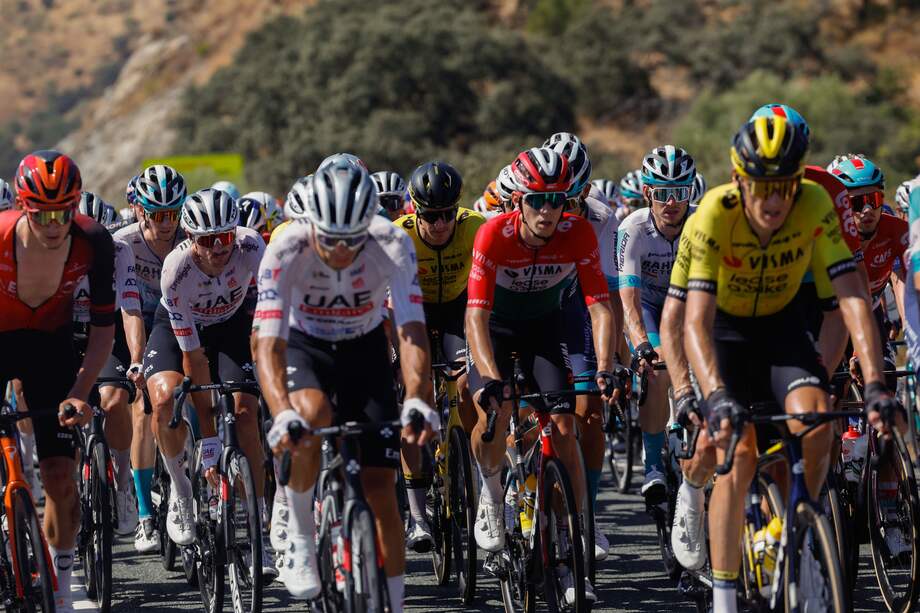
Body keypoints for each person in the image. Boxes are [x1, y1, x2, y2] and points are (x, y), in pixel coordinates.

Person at [682, 116, 897, 613]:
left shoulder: (816, 203)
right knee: (736, 454)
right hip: (725, 335)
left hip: (781, 331)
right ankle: (724, 596)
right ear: (740, 179)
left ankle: (804, 534)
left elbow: (851, 297)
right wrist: (714, 396)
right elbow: (694, 323)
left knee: (816, 417)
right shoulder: (715, 211)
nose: (775, 200)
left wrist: (878, 385)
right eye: (763, 186)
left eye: (785, 185)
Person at [254, 161, 437, 612]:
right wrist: (282, 413)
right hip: (304, 345)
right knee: (311, 418)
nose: (340, 250)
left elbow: (412, 333)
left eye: (352, 239)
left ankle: (390, 603)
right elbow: (267, 344)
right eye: (329, 238)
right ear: (309, 223)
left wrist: (416, 397)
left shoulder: (392, 242)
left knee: (381, 493)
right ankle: (299, 533)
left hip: (364, 346)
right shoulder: (285, 248)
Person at [467, 146, 617, 604]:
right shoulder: (493, 234)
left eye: (557, 200)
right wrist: (490, 378)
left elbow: (599, 307)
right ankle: (492, 495)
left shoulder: (578, 233)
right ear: (519, 201)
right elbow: (475, 316)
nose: (547, 211)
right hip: (494, 327)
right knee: (494, 411)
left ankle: (570, 551)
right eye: (537, 200)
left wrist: (607, 368)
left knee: (565, 426)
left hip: (545, 328)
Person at [1, 150, 116, 612]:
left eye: (63, 212)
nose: (53, 224)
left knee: (61, 479)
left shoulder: (94, 242)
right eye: (42, 213)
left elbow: (104, 328)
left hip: (49, 345)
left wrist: (79, 392)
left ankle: (62, 590)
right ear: (23, 207)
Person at [145, 188, 274, 581]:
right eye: (207, 240)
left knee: (246, 411)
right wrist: (210, 442)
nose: (219, 248)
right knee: (166, 399)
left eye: (225, 237)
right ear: (190, 239)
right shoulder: (176, 269)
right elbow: (194, 360)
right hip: (182, 334)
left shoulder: (253, 247)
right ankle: (182, 493)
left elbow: (267, 315)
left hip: (232, 327)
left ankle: (261, 529)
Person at [394, 161, 485, 552]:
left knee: (467, 386)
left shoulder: (475, 227)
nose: (442, 223)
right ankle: (417, 517)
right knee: (414, 401)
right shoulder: (398, 237)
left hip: (458, 311)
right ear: (415, 210)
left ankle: (470, 465)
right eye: (432, 215)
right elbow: (386, 302)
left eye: (449, 213)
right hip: (413, 312)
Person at [546, 132, 622, 561]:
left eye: (569, 198)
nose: (558, 209)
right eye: (549, 197)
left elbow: (608, 297)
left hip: (578, 310)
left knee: (589, 412)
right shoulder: (526, 207)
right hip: (530, 311)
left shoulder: (601, 218)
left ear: (586, 192)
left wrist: (615, 361)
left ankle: (584, 515)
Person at [617, 145, 697, 504]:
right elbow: (629, 301)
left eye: (679, 193)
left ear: (690, 192)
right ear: (648, 193)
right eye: (662, 194)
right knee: (655, 371)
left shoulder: (700, 224)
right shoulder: (632, 228)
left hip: (687, 309)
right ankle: (653, 465)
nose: (671, 203)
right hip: (648, 310)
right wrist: (640, 346)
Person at [114, 164, 187, 552]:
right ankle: (144, 513)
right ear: (140, 210)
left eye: (173, 212)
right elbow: (129, 309)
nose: (167, 222)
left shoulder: (192, 234)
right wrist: (137, 360)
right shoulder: (124, 243)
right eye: (158, 214)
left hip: (183, 320)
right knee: (142, 408)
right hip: (138, 321)